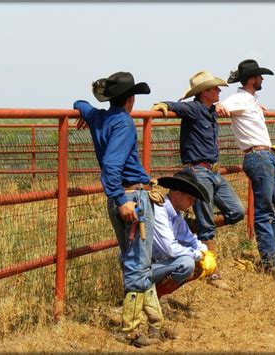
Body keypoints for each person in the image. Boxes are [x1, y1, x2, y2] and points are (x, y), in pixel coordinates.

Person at [73, 71, 166, 347]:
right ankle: (131, 330)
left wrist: (81, 109)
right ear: (131, 99)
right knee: (138, 262)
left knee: (134, 260)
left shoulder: (98, 117)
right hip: (131, 197)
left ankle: (157, 324)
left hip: (120, 198)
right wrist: (121, 198)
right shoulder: (124, 123)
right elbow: (112, 166)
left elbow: (81, 103)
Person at [151, 71, 245, 290]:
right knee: (207, 226)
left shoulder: (211, 110)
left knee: (237, 211)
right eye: (215, 88)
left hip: (213, 171)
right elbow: (176, 105)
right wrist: (163, 104)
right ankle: (213, 273)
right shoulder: (193, 109)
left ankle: (193, 226)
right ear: (205, 92)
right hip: (200, 171)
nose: (219, 91)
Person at [218, 59, 275, 277]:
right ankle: (271, 261)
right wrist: (219, 107)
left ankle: (272, 257)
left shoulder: (249, 101)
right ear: (252, 79)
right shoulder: (239, 99)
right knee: (264, 211)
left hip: (266, 155)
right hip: (258, 156)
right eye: (260, 77)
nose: (262, 80)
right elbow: (218, 107)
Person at [152, 170, 217, 298]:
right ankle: (156, 297)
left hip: (156, 264)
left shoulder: (176, 215)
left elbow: (190, 240)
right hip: (141, 268)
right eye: (191, 197)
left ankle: (157, 296)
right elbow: (170, 249)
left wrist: (205, 252)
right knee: (187, 264)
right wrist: (199, 255)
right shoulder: (159, 211)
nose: (193, 202)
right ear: (177, 194)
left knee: (194, 263)